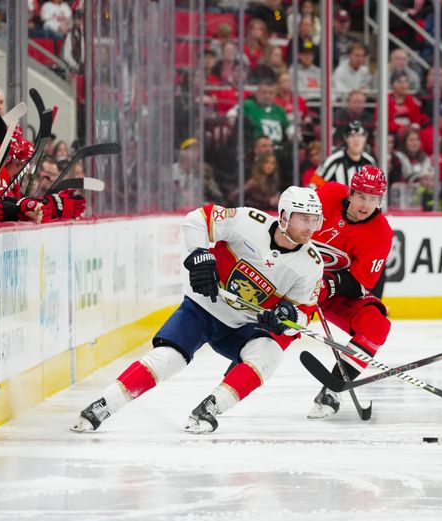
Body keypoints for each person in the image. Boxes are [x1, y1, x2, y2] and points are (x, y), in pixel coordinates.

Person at [71, 186, 325, 433]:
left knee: (269, 354)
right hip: (205, 306)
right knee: (168, 357)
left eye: (315, 220)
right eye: (303, 218)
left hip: (247, 324)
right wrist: (200, 253)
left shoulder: (312, 264)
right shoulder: (249, 221)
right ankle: (104, 406)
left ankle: (210, 408)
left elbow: (303, 312)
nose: (310, 227)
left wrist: (286, 317)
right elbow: (197, 219)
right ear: (283, 217)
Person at [307, 166, 393, 418]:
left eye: (375, 198)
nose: (367, 204)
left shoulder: (380, 233)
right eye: (362, 196)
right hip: (293, 278)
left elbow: (360, 284)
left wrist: (328, 285)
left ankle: (332, 390)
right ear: (350, 192)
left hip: (333, 293)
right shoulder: (328, 194)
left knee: (377, 325)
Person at [312, 120, 378, 186]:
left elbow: (376, 189)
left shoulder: (370, 162)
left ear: (365, 138)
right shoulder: (333, 161)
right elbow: (314, 185)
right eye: (352, 136)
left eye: (360, 135)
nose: (356, 140)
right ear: (346, 138)